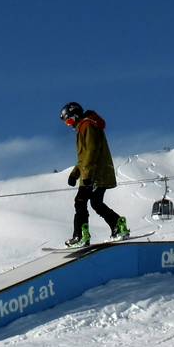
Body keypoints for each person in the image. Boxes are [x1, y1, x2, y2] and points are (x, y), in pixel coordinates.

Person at [59, 101, 129, 248]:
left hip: (94, 174)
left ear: (75, 115)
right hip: (94, 172)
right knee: (95, 203)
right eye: (66, 123)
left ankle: (80, 236)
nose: (69, 125)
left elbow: (92, 151)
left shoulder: (87, 126)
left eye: (69, 121)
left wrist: (87, 175)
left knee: (80, 201)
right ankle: (117, 225)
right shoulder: (84, 126)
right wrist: (75, 174)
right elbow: (84, 157)